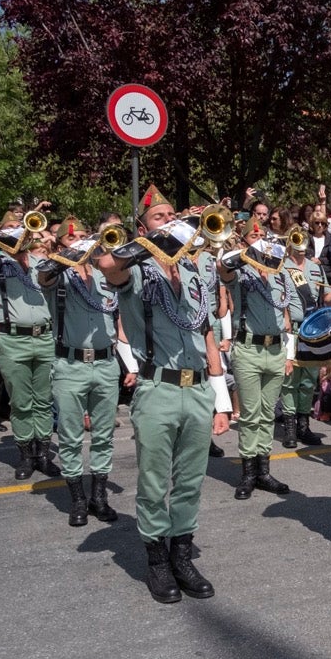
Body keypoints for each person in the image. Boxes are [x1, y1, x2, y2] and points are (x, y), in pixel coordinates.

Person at [96, 198, 232, 602]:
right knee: (155, 481)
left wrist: (220, 399)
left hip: (196, 389)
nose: (170, 220)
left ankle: (182, 555)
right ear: (143, 225)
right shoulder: (137, 268)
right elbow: (107, 265)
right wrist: (151, 242)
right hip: (157, 388)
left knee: (190, 480)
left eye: (172, 216)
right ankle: (157, 561)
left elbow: (206, 332)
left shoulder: (192, 270)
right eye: (160, 217)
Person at [37, 228, 125, 526]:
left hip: (105, 363)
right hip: (70, 364)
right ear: (62, 244)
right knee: (71, 436)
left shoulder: (104, 276)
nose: (84, 246)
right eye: (73, 239)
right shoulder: (58, 274)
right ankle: (77, 498)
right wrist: (70, 255)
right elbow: (42, 276)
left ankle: (99, 496)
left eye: (86, 239)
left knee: (103, 435)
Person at [0, 217, 58, 479]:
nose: (22, 241)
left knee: (43, 399)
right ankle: (25, 454)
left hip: (44, 337)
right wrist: (1, 238)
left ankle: (42, 452)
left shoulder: (41, 263)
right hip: (13, 338)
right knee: (21, 400)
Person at [219, 237, 295, 500]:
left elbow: (294, 311)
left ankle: (264, 471)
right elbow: (224, 267)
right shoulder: (242, 273)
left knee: (267, 414)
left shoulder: (281, 274)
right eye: (261, 247)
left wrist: (289, 351)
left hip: (275, 349)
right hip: (249, 349)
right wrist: (247, 254)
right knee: (250, 414)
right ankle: (248, 473)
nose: (267, 253)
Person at [278, 227, 331, 449]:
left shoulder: (314, 267)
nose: (300, 243)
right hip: (291, 328)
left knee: (308, 379)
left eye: (303, 238)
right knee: (290, 379)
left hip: (312, 329)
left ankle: (303, 425)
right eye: (296, 238)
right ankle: (289, 427)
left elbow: (325, 296)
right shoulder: (282, 267)